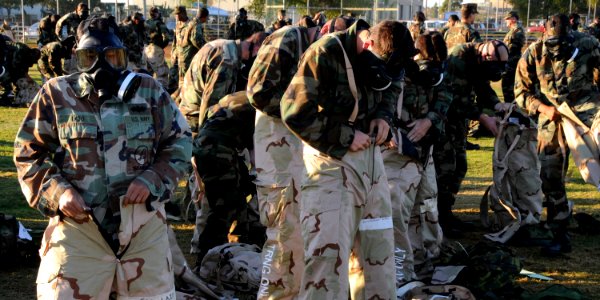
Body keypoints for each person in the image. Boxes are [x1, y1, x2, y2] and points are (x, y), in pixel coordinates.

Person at [13, 16, 192, 298]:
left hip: (141, 228)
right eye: (90, 57)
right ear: (77, 57)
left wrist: (153, 178)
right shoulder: (56, 95)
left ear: (123, 56)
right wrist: (58, 193)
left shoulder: (148, 91)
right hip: (78, 227)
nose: (102, 66)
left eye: (112, 56)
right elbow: (27, 152)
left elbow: (179, 141)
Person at [281, 19, 416, 299]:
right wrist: (344, 136)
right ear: (367, 44)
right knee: (328, 256)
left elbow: (394, 84)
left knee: (377, 253)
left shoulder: (391, 56)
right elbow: (294, 112)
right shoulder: (325, 53)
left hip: (370, 161)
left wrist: (384, 116)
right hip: (330, 160)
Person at [246, 17, 321, 300]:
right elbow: (258, 92)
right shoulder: (289, 38)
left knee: (295, 231)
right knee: (284, 233)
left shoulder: (303, 42)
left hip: (289, 149)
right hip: (278, 152)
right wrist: (302, 110)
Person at [515, 14, 600, 256]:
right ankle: (558, 231)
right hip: (553, 115)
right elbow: (521, 92)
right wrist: (543, 108)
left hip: (588, 108)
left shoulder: (588, 44)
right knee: (550, 174)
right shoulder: (533, 53)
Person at [384, 32, 450, 284]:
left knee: (426, 204)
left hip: (425, 153)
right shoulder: (394, 75)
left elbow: (445, 96)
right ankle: (402, 272)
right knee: (398, 212)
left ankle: (426, 260)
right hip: (398, 155)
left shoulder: (436, 77)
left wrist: (429, 120)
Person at [433, 40, 509, 238]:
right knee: (445, 169)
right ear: (484, 57)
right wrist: (482, 117)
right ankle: (439, 218)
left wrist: (497, 105)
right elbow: (454, 99)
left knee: (460, 166)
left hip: (458, 122)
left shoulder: (477, 63)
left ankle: (446, 213)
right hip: (444, 120)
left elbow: (482, 87)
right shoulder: (459, 59)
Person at [191, 90, 262, 270]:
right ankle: (206, 260)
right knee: (224, 207)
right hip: (217, 151)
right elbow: (255, 152)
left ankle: (238, 250)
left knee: (238, 197)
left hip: (207, 147)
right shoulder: (259, 104)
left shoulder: (239, 96)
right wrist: (260, 176)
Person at [178, 31, 266, 135]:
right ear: (257, 49)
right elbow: (210, 106)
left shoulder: (227, 45)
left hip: (189, 111)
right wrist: (203, 139)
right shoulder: (227, 60)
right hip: (193, 121)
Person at [172, 6, 208, 89]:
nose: (176, 16)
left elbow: (195, 41)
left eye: (177, 14)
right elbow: (176, 41)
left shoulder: (190, 24)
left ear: (183, 13)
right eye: (175, 14)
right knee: (187, 84)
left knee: (186, 83)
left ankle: (181, 98)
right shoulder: (180, 24)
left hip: (188, 58)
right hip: (181, 59)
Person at [143, 6, 170, 88]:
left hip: (146, 48)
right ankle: (162, 92)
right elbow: (166, 37)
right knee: (162, 74)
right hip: (156, 48)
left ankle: (147, 90)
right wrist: (161, 46)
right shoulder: (159, 23)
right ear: (156, 13)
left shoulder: (146, 22)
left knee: (148, 73)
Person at [502, 11, 525, 103]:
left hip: (512, 64)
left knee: (509, 88)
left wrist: (503, 50)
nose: (506, 21)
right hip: (509, 63)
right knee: (506, 87)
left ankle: (512, 110)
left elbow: (513, 47)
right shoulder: (513, 30)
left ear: (513, 19)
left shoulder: (518, 31)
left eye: (507, 19)